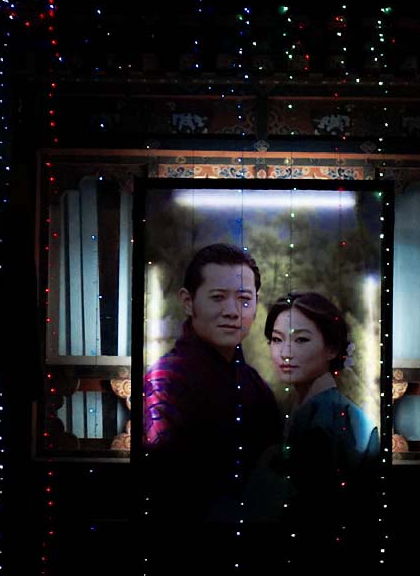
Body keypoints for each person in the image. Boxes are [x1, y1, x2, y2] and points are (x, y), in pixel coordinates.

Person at [142, 243, 282, 526]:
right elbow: (164, 484)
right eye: (218, 297)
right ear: (187, 301)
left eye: (244, 299)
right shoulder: (166, 380)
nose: (232, 311)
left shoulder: (254, 383)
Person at [263, 291, 380, 566]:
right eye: (277, 340)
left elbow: (314, 513)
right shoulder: (314, 407)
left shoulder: (326, 416)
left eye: (301, 339)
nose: (285, 352)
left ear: (332, 347)